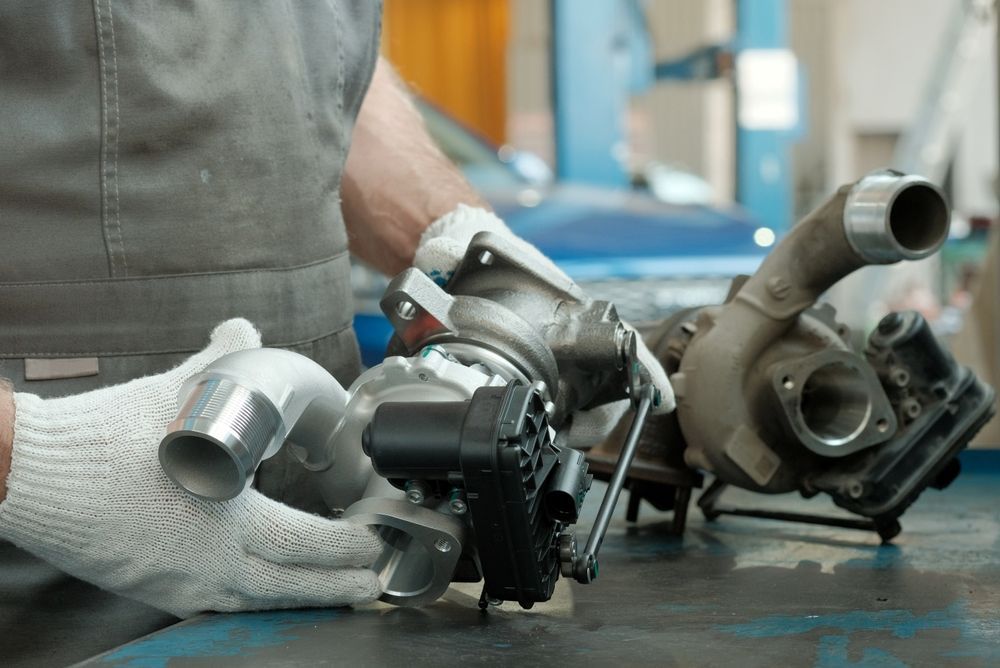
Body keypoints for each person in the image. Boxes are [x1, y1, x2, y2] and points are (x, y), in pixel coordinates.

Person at [0, 3, 673, 665]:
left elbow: (322, 71)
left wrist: (467, 247)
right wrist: (33, 463)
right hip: (55, 565)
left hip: (321, 542)